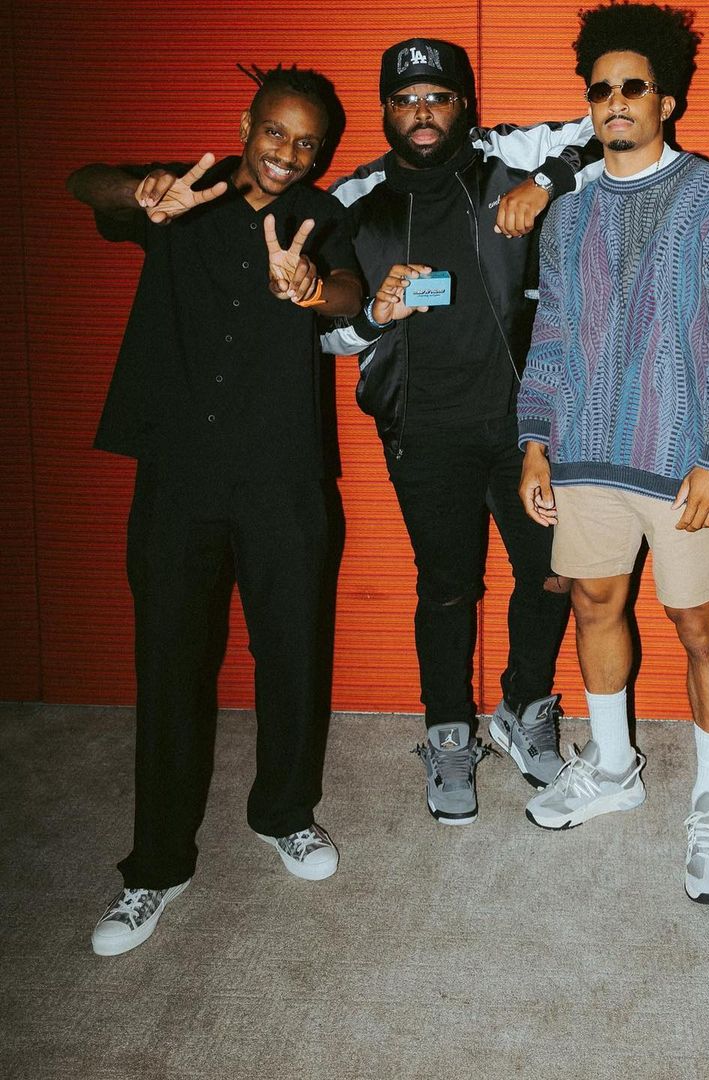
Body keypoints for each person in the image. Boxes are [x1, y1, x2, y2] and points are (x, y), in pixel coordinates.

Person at [68, 64, 362, 956]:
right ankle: (156, 865)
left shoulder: (323, 217)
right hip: (182, 474)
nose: (288, 153)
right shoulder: (181, 196)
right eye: (275, 132)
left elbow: (349, 292)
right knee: (169, 665)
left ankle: (285, 813)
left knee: (294, 655)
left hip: (283, 477)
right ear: (245, 123)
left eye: (306, 142)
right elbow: (85, 182)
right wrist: (138, 191)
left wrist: (308, 289)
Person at [516, 2, 709, 906]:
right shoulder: (568, 216)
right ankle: (614, 766)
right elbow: (551, 332)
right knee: (593, 602)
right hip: (584, 453)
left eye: (633, 86)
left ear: (667, 100)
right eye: (601, 89)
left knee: (700, 623)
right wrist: (534, 441)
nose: (615, 101)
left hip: (682, 454)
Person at [320, 39, 600, 825]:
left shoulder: (509, 156)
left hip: (524, 423)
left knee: (553, 572)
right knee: (446, 587)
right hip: (423, 428)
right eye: (405, 100)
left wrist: (545, 184)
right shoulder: (352, 200)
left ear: (463, 104)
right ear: (385, 110)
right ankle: (448, 733)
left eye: (437, 98)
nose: (422, 113)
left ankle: (523, 707)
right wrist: (376, 316)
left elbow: (610, 124)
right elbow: (327, 334)